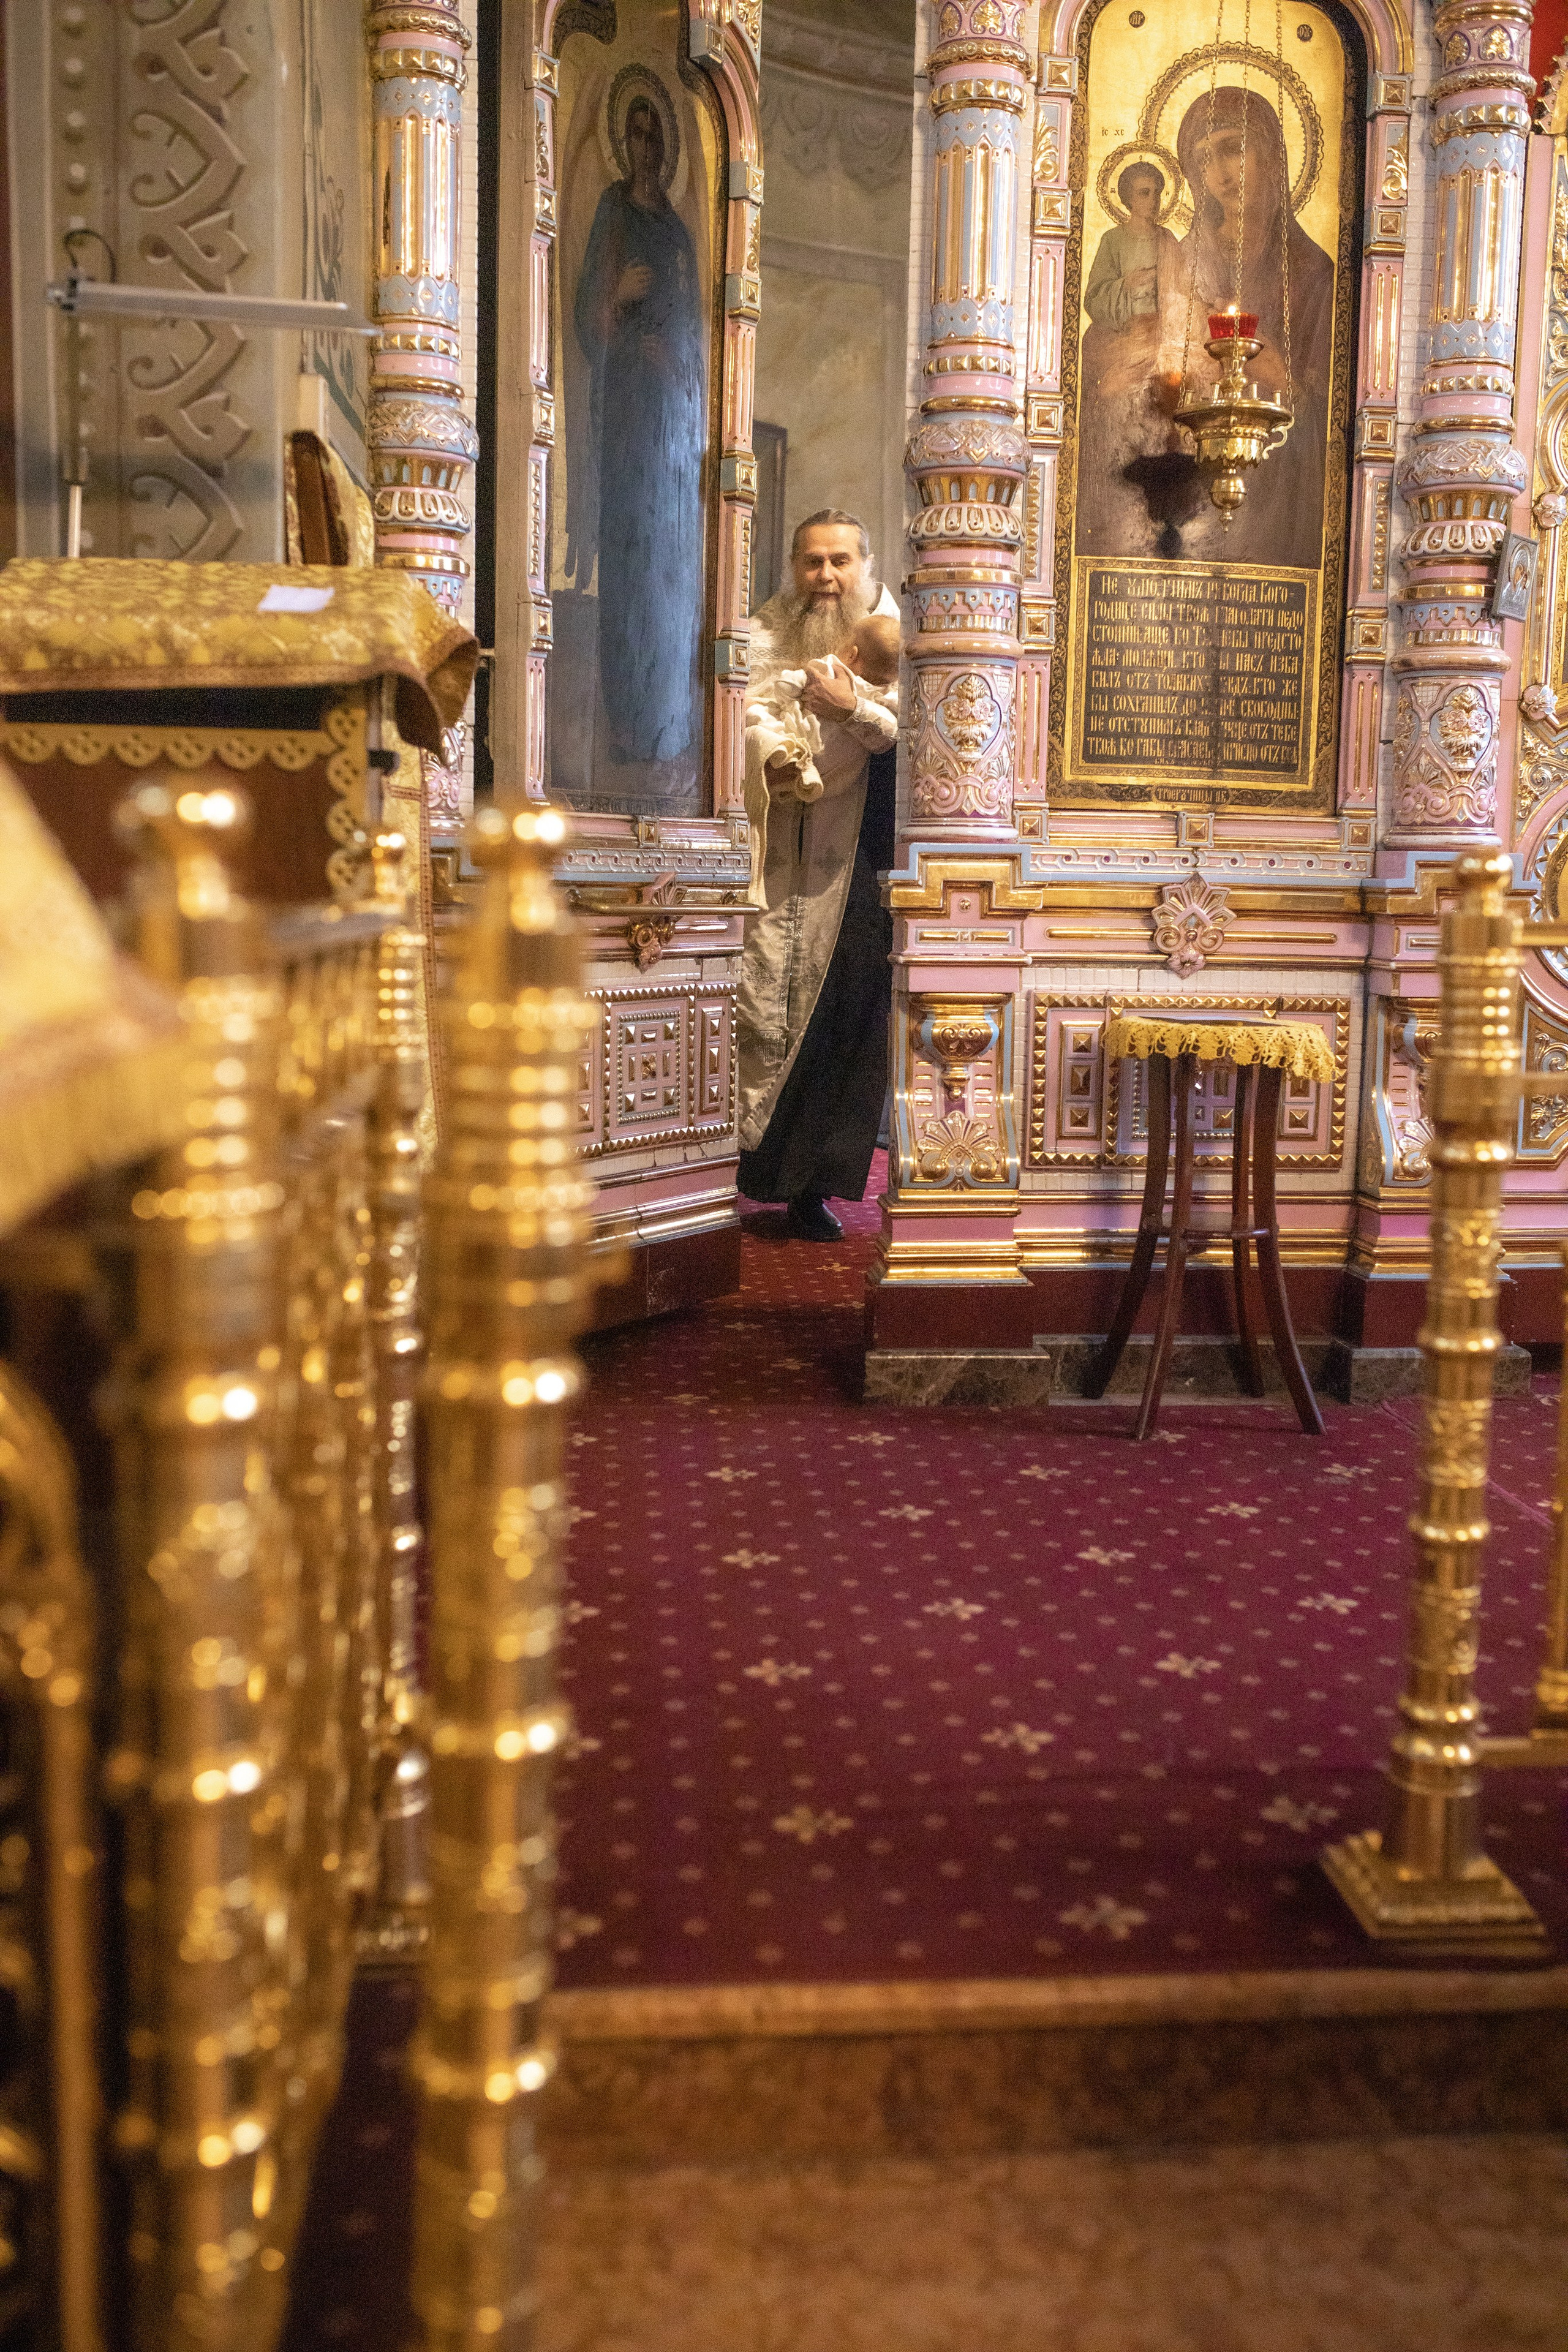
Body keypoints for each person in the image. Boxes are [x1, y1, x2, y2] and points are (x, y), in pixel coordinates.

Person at [737, 513, 900, 1241]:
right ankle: (728, 1175)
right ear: (792, 568)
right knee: (752, 1013)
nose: (825, 577)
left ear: (865, 567)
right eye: (811, 562)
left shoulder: (898, 642)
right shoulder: (761, 636)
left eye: (839, 561)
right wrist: (774, 748)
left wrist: (852, 707)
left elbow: (921, 734)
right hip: (771, 859)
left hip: (853, 868)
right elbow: (735, 714)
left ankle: (814, 1190)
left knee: (841, 1028)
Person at [569, 92, 704, 766]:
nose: (648, 148)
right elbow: (587, 321)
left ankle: (663, 727)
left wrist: (673, 363)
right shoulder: (613, 211)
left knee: (665, 571)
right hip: (624, 421)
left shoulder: (677, 234)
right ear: (625, 144)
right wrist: (619, 304)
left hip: (671, 440)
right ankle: (623, 722)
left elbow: (694, 339)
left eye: (656, 137)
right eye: (637, 134)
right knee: (626, 567)